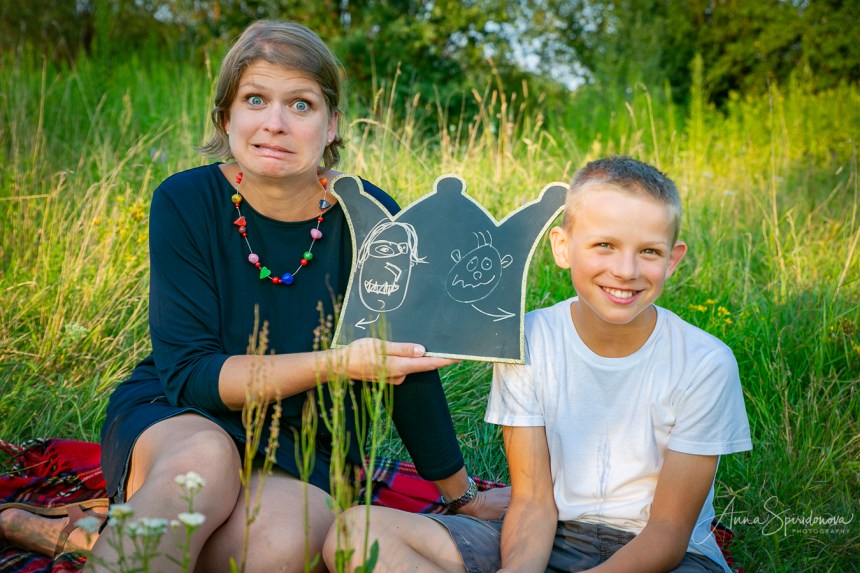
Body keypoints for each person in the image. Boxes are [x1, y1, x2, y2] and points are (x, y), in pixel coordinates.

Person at [0, 19, 507, 572]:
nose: (275, 123)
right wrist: (338, 363)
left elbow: (404, 360)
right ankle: (133, 533)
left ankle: (88, 537)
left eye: (301, 104)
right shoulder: (185, 200)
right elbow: (191, 374)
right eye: (255, 99)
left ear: (331, 125)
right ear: (226, 116)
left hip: (305, 435)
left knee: (280, 549)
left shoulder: (369, 214)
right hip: (183, 415)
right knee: (202, 466)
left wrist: (462, 496)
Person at [328, 155, 753, 573]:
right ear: (563, 247)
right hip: (551, 536)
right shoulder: (529, 338)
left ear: (672, 259)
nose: (625, 270)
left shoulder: (705, 362)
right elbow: (532, 501)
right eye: (604, 245)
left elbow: (668, 532)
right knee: (355, 534)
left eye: (649, 251)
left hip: (663, 554)